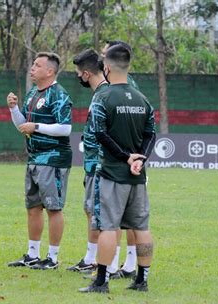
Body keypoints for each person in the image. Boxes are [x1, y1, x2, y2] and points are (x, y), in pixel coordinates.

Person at [79, 44, 156, 294]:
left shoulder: (103, 96)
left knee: (108, 227)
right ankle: (142, 279)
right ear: (129, 66)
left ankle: (101, 281)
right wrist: (140, 159)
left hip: (112, 174)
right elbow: (150, 134)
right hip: (138, 176)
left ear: (107, 67)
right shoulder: (143, 99)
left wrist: (125, 157)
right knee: (141, 228)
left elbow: (100, 134)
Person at [7, 52, 73, 270]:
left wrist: (36, 127)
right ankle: (33, 254)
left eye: (37, 65)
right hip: (34, 158)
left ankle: (52, 258)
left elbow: (65, 129)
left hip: (53, 159)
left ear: (50, 71)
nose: (32, 68)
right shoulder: (33, 93)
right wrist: (14, 109)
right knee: (33, 207)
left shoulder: (59, 95)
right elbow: (22, 125)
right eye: (33, 64)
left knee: (53, 208)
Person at [98, 39, 140, 278]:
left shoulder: (122, 85)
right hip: (130, 159)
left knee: (123, 218)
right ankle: (121, 264)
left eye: (105, 54)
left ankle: (127, 264)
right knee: (126, 217)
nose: (102, 58)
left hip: (121, 161)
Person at [67, 49, 108, 274]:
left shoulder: (104, 95)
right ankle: (91, 257)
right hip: (93, 164)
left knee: (98, 212)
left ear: (85, 74)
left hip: (100, 164)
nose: (78, 77)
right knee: (90, 210)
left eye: (77, 73)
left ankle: (101, 262)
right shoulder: (99, 94)